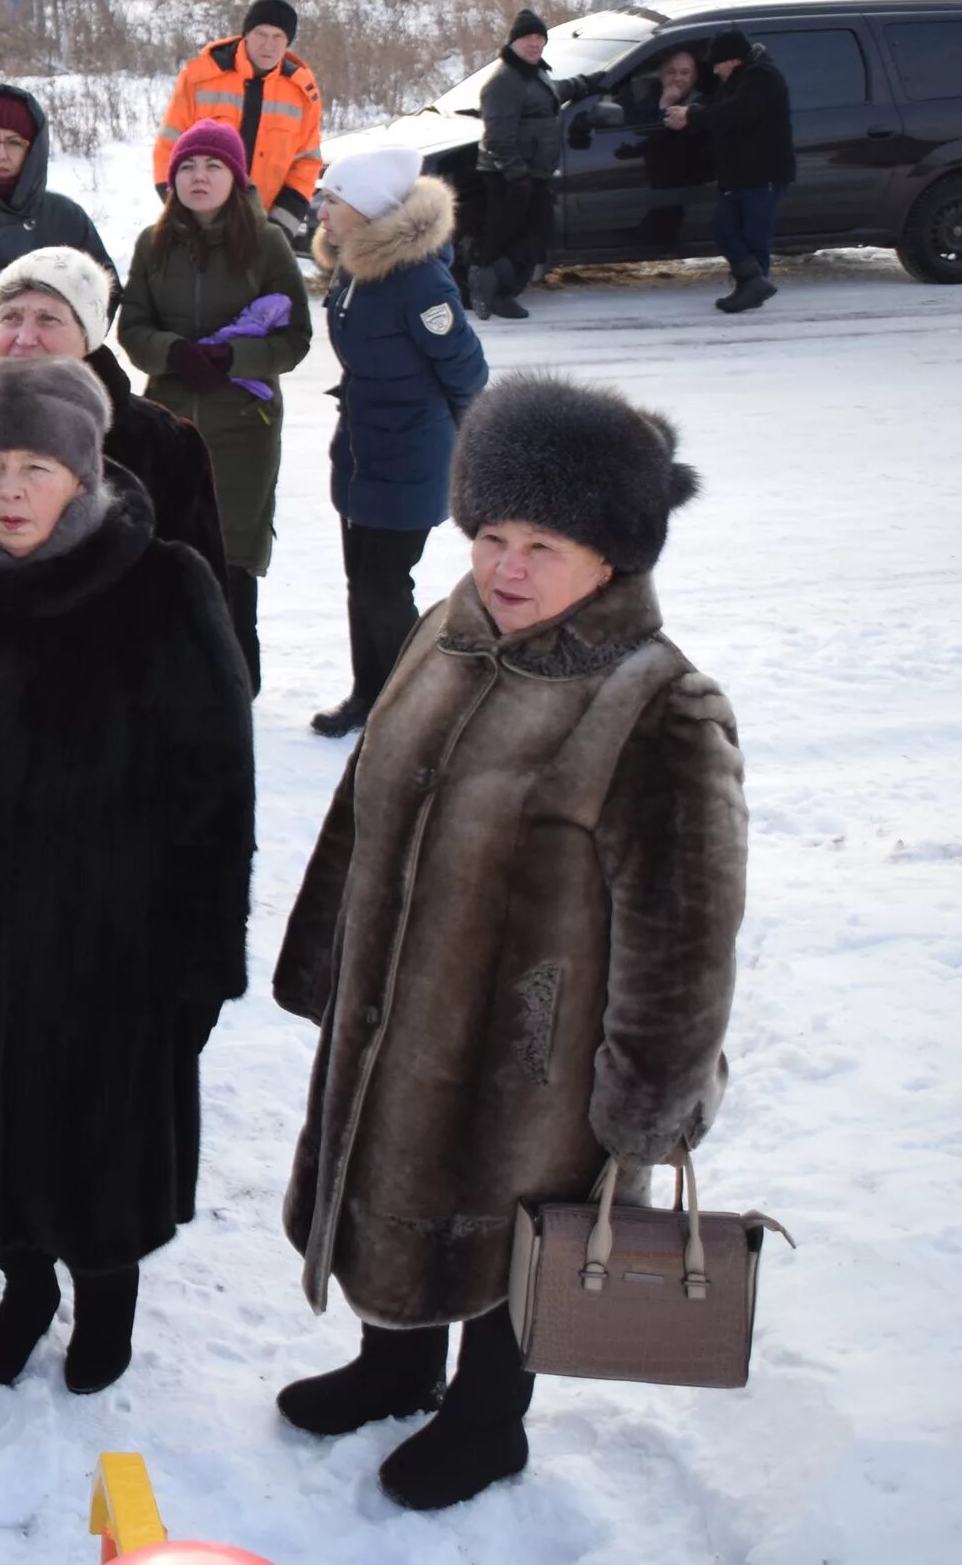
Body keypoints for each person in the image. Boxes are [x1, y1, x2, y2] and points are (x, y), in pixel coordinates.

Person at [272, 372, 742, 1511]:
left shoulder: (656, 703)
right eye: (491, 533)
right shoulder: (451, 632)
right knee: (389, 1182)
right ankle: (395, 1366)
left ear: (614, 557)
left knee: (512, 1223)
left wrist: (653, 1097)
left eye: (544, 542)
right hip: (400, 999)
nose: (507, 568)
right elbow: (368, 801)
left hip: (541, 1045)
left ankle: (489, 1421)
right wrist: (331, 948)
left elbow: (688, 931)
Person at [0, 356, 253, 1396]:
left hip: (113, 945)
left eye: (33, 466)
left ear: (82, 471)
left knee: (100, 1143)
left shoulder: (164, 585)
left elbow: (218, 787)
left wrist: (198, 959)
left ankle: (106, 1303)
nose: (7, 491)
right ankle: (24, 1286)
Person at [0, 245, 227, 604]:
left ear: (89, 335)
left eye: (48, 319)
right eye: (10, 317)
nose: (24, 338)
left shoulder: (161, 442)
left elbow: (205, 607)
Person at [118, 118, 315, 692]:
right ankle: (175, 674)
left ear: (236, 176)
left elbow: (295, 338)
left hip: (243, 429)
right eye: (187, 166)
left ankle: (236, 678)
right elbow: (132, 328)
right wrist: (173, 353)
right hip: (169, 424)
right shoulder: (151, 244)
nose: (198, 177)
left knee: (232, 553)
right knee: (172, 547)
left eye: (212, 166)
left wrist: (235, 360)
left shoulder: (268, 243)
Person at [309, 143, 489, 739]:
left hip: (410, 454)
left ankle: (411, 701)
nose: (322, 211)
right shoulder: (355, 264)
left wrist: (461, 447)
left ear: (364, 208)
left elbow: (466, 370)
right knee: (363, 582)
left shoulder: (418, 281)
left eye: (332, 200)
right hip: (362, 449)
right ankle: (370, 693)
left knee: (386, 585)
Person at [470, 8, 607, 321]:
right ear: (513, 42)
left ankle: (492, 282)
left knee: (536, 234)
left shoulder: (534, 73)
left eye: (539, 38)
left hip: (533, 173)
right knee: (512, 236)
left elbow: (554, 93)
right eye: (527, 38)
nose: (533, 44)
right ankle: (496, 291)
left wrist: (588, 82)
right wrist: (516, 174)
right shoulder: (504, 81)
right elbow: (497, 136)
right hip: (510, 176)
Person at [155, 0, 325, 247]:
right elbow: (168, 150)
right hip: (195, 229)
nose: (268, 45)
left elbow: (306, 165)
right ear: (246, 34)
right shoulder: (199, 77)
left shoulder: (302, 92)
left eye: (278, 37)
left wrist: (277, 232)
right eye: (261, 34)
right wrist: (184, 215)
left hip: (262, 232)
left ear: (288, 42)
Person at [0, 82, 117, 280]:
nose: (0, 154)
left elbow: (103, 292)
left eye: (14, 142)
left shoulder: (64, 218)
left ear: (32, 149)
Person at [668, 29, 793, 314]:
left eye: (717, 64)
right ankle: (752, 285)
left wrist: (692, 115)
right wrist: (689, 113)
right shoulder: (739, 80)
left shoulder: (762, 78)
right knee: (725, 230)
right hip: (739, 175)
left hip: (763, 175)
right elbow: (719, 107)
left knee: (753, 235)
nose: (715, 70)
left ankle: (753, 289)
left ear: (732, 60)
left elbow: (734, 113)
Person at [630, 45, 713, 246]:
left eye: (685, 73)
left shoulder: (701, 105)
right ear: (661, 75)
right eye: (671, 72)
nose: (677, 78)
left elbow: (674, 142)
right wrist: (662, 105)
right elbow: (636, 129)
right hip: (650, 179)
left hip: (684, 183)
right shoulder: (652, 98)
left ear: (694, 78)